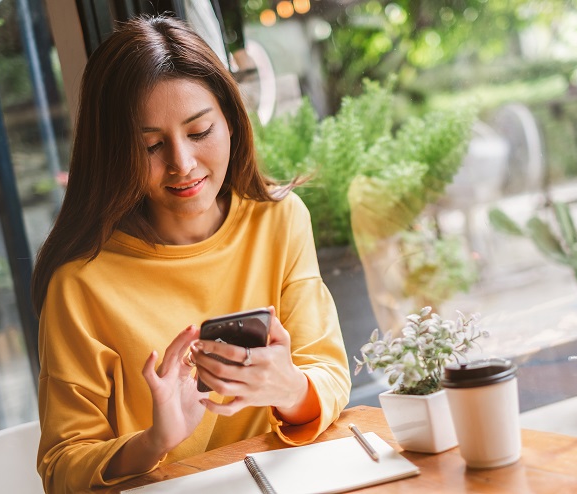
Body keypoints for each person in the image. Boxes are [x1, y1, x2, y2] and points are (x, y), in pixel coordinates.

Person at [32, 15, 351, 492]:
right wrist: (154, 440)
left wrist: (289, 388)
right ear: (114, 152)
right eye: (152, 146)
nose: (182, 164)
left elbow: (327, 372)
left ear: (230, 120)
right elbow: (61, 467)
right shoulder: (81, 283)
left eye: (199, 132)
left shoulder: (279, 221)